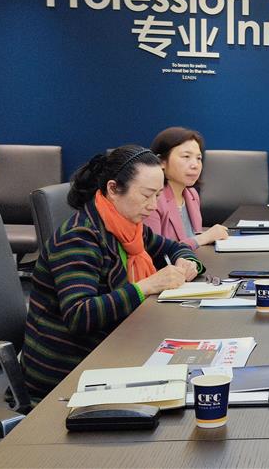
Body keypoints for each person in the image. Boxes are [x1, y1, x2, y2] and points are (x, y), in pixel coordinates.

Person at [22, 146, 203, 402]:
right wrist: (146, 286)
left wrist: (187, 260)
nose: (153, 206)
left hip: (113, 345)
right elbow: (79, 314)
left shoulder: (129, 227)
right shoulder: (79, 236)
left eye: (157, 195)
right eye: (146, 195)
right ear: (113, 189)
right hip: (68, 370)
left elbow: (173, 247)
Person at [144, 127, 229, 248]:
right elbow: (154, 251)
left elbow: (191, 237)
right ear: (161, 161)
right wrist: (204, 237)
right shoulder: (152, 199)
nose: (195, 165)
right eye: (186, 157)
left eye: (198, 158)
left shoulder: (192, 194)